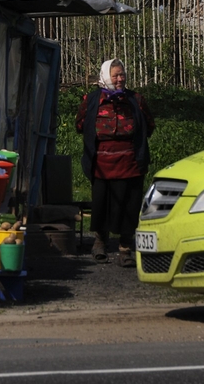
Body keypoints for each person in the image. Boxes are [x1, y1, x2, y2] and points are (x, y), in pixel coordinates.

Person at [75, 59, 155, 267]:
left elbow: (149, 125)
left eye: (122, 74)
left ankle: (125, 248)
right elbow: (80, 124)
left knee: (130, 204)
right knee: (101, 202)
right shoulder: (92, 100)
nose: (120, 79)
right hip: (102, 162)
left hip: (130, 162)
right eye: (115, 75)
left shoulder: (135, 100)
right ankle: (100, 243)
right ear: (105, 77)